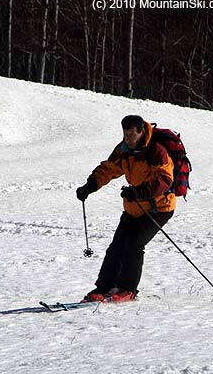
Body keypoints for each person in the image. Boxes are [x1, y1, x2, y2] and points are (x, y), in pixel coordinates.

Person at [76, 115, 175, 302]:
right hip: (133, 207)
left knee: (134, 245)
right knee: (116, 247)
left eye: (132, 135)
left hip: (158, 208)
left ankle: (128, 289)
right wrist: (89, 186)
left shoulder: (156, 150)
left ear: (141, 132)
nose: (128, 139)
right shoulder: (123, 149)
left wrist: (139, 192)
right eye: (125, 134)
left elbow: (164, 180)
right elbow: (109, 168)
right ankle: (104, 288)